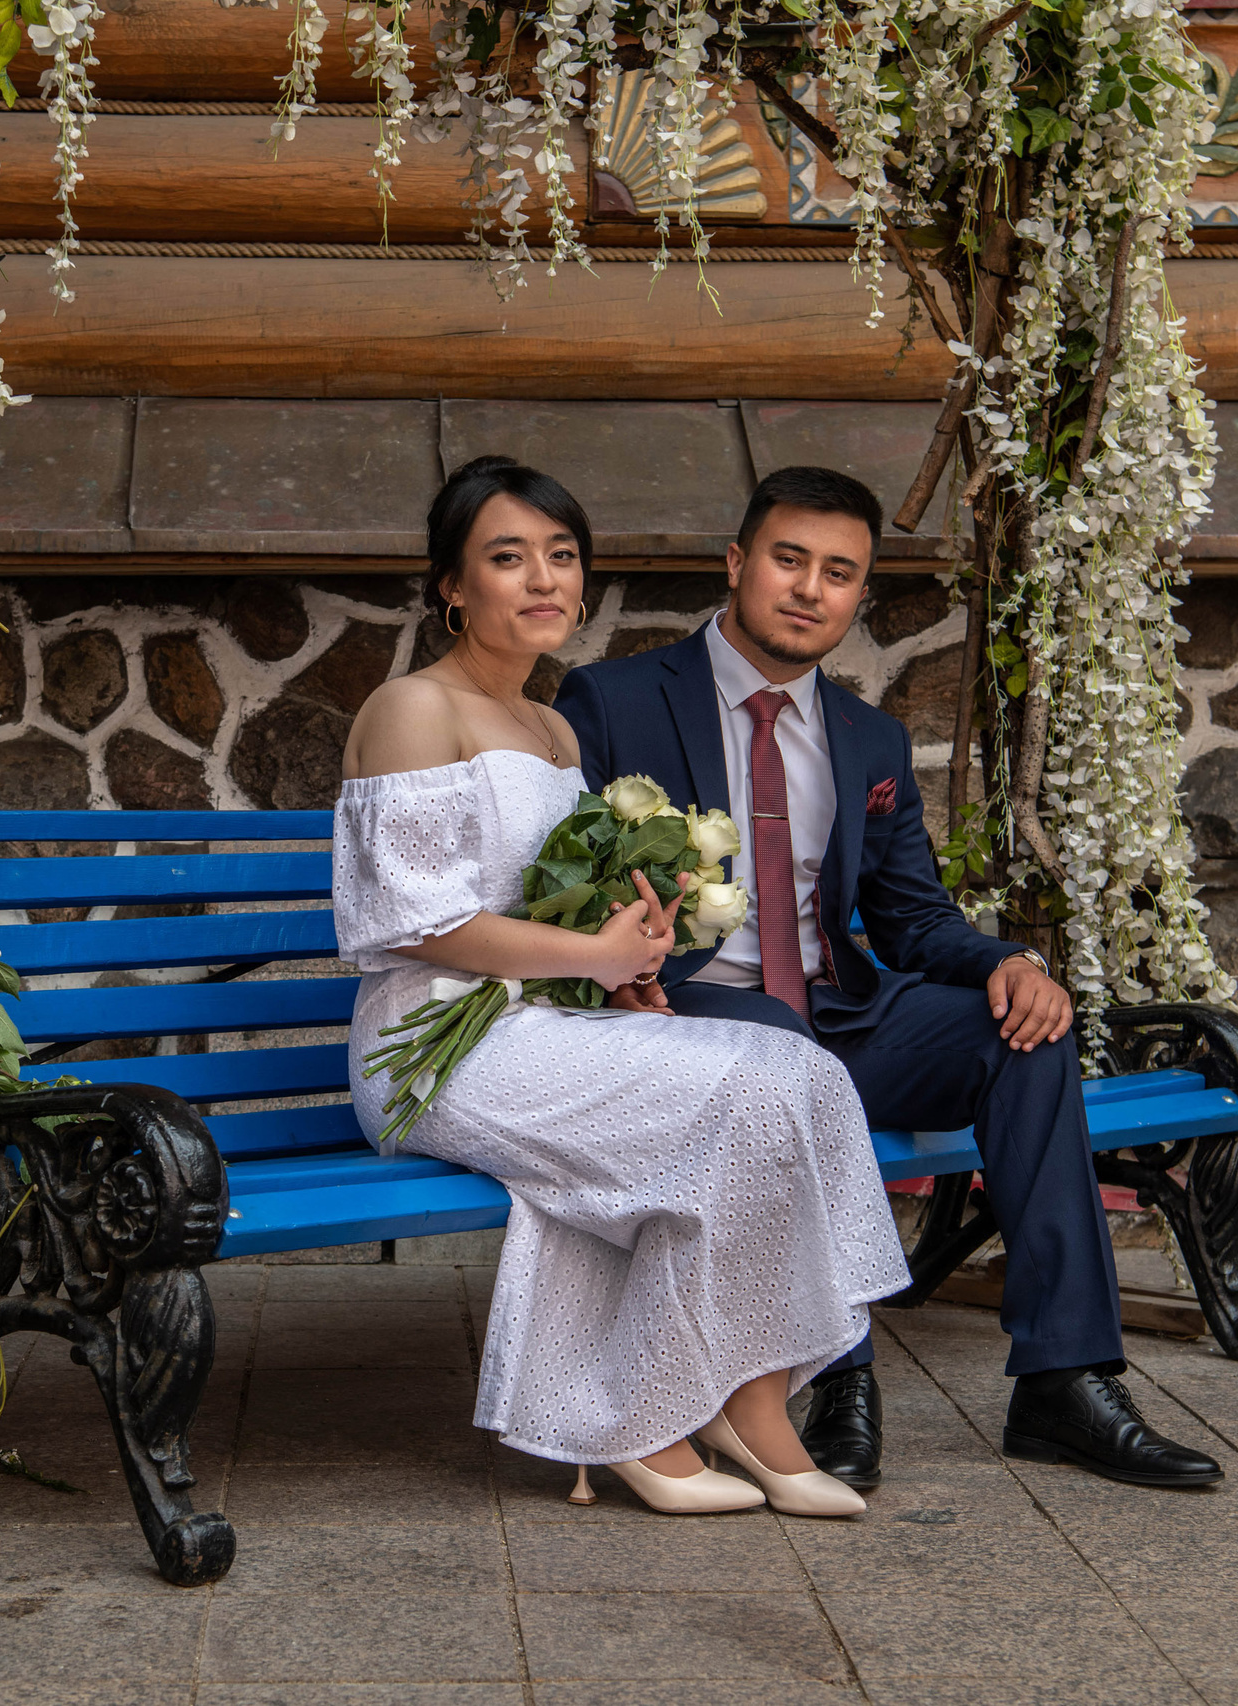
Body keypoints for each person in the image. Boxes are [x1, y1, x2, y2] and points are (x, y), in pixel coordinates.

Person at [552, 466, 1225, 1491]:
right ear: (737, 564)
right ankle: (837, 1382)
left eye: (838, 573)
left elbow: (911, 920)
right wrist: (611, 968)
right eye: (788, 559)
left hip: (841, 1011)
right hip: (688, 1017)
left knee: (1021, 1036)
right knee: (776, 1041)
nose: (808, 588)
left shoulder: (868, 736)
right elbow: (555, 876)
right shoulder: (614, 699)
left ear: (857, 597)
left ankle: (1065, 1377)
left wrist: (1008, 960)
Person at [332, 455, 913, 1518]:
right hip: (432, 1048)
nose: (541, 579)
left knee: (794, 1067)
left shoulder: (555, 729)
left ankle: (745, 1395)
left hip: (541, 1026)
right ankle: (661, 1411)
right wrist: (594, 959)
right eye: (506, 558)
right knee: (736, 1092)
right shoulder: (414, 708)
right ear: (453, 586)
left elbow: (553, 911)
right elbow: (418, 923)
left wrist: (622, 973)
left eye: (561, 557)